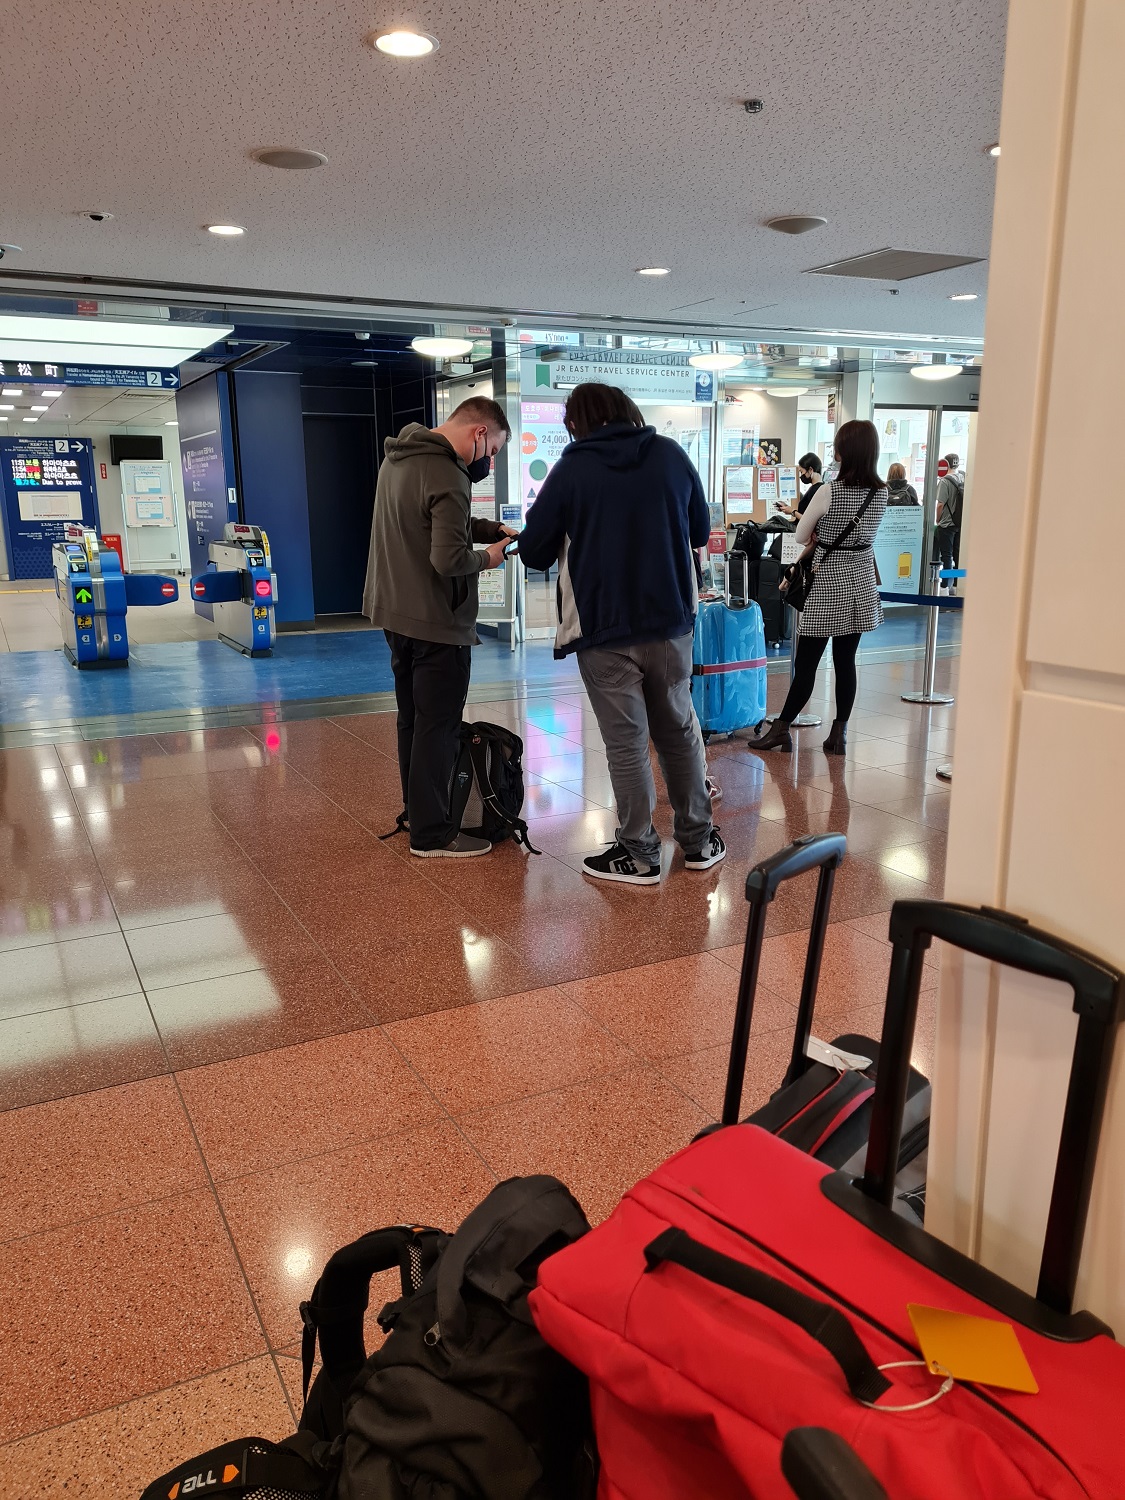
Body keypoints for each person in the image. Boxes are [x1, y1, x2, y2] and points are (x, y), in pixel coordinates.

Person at [517, 382, 724, 887]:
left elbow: (535, 551)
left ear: (576, 424)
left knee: (626, 743)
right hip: (670, 622)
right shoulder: (671, 456)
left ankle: (639, 854)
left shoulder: (572, 468)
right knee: (679, 730)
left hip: (602, 627)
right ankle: (699, 842)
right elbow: (700, 531)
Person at [362, 397, 514, 858]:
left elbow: (425, 522)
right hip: (436, 622)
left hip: (395, 614)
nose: (489, 462)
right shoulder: (449, 472)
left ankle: (418, 813)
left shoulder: (398, 457)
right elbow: (448, 559)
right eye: (493, 451)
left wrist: (486, 528)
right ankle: (433, 835)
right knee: (439, 725)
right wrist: (490, 557)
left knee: (412, 719)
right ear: (479, 433)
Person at [748, 419, 888, 756]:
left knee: (808, 662)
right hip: (861, 582)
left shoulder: (829, 490)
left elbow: (800, 535)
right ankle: (838, 734)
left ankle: (781, 729)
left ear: (845, 450)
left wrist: (818, 533)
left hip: (828, 583)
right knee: (845, 661)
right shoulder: (880, 492)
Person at [934, 453, 964, 586]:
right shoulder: (963, 477)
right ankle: (958, 584)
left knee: (946, 556)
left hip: (946, 524)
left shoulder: (945, 481)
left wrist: (938, 519)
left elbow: (940, 504)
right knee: (958, 555)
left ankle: (945, 584)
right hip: (960, 522)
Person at [776, 453, 823, 519]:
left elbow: (810, 520)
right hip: (800, 524)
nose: (801, 476)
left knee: (776, 519)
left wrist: (792, 512)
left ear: (810, 470)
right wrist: (788, 508)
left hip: (802, 525)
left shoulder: (816, 491)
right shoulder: (818, 488)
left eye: (801, 472)